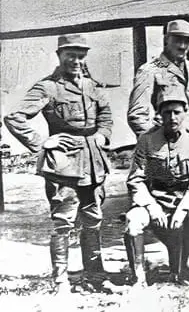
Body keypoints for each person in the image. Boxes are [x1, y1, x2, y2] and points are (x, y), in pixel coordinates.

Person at [4, 34, 114, 294]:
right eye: (70, 55)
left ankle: (95, 277)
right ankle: (61, 280)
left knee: (93, 219)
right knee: (63, 222)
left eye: (80, 55)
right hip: (63, 163)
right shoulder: (48, 87)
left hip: (93, 160)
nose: (76, 61)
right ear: (59, 56)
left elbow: (106, 115)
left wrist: (102, 134)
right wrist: (43, 142)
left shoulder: (93, 86)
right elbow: (14, 117)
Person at [123, 89, 189, 286]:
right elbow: (136, 179)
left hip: (187, 200)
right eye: (167, 112)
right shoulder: (147, 140)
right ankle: (139, 277)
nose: (172, 117)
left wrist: (183, 208)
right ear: (159, 115)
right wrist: (151, 206)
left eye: (177, 112)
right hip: (156, 200)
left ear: (186, 113)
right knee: (133, 220)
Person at [128, 19, 189, 145]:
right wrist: (154, 142)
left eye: (188, 40)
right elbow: (137, 115)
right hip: (167, 143)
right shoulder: (150, 69)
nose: (183, 46)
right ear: (166, 39)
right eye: (177, 39)